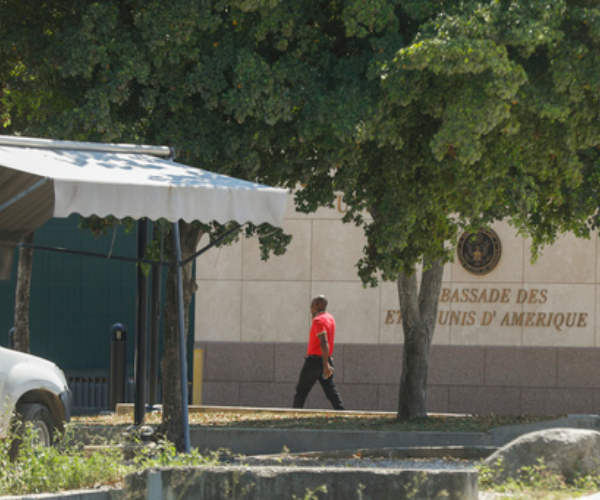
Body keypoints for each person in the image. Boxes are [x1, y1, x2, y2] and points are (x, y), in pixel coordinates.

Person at [293, 295, 345, 410]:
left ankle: (294, 414)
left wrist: (325, 364)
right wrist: (328, 360)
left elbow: (324, 341)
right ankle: (342, 412)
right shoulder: (330, 318)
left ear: (315, 306)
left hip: (315, 361)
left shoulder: (318, 320)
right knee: (331, 391)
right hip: (326, 359)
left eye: (311, 305)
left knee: (301, 390)